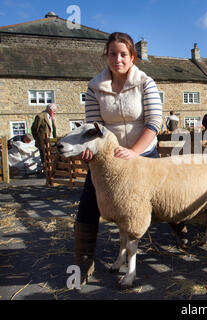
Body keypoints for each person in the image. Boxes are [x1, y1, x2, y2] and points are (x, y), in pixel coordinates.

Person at [75, 32, 164, 284]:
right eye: (113, 54)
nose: (118, 59)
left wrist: (135, 151)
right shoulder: (95, 86)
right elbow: (94, 126)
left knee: (162, 197)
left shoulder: (146, 82)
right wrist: (89, 150)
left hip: (143, 152)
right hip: (109, 159)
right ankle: (83, 260)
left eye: (123, 54)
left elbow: (154, 121)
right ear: (107, 56)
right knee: (90, 200)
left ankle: (180, 228)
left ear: (132, 57)